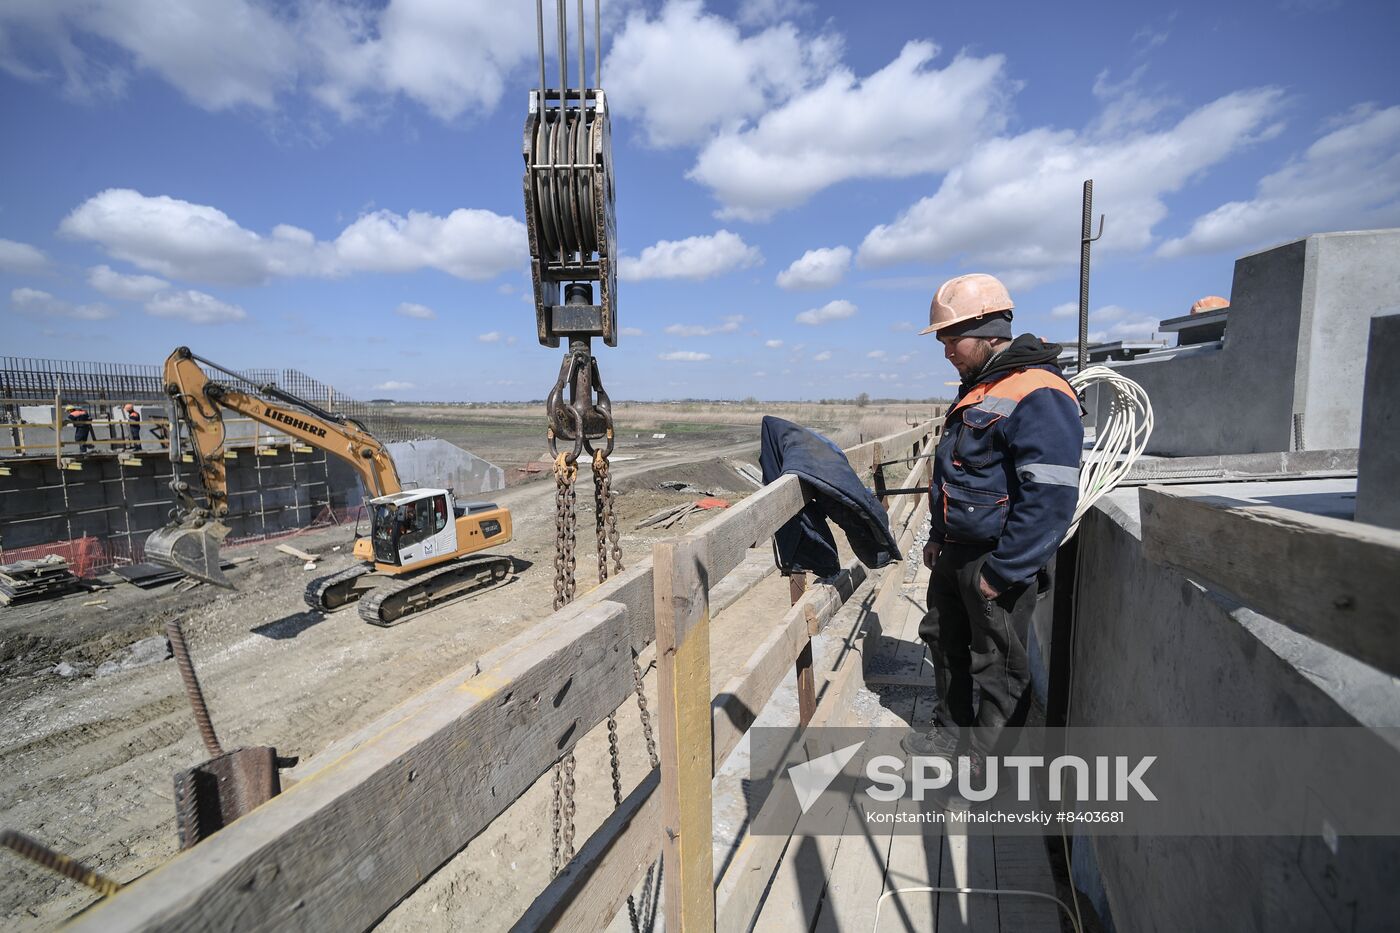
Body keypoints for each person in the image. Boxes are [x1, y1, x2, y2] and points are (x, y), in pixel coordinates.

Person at [903, 273, 1083, 789]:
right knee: (943, 641)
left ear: (989, 331)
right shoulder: (981, 387)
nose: (945, 353)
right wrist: (938, 534)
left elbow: (1050, 498)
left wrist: (1002, 571)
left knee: (997, 666)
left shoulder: (1038, 392)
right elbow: (955, 469)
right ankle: (950, 735)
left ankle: (986, 769)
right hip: (957, 552)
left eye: (950, 340)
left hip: (995, 559)